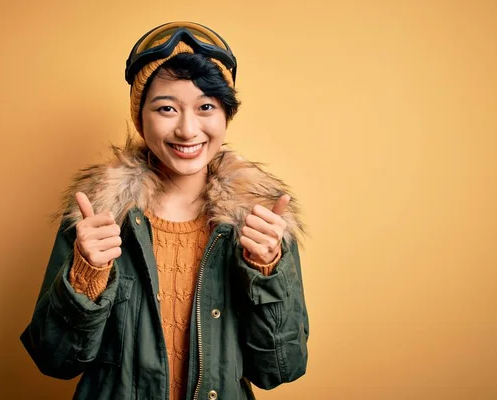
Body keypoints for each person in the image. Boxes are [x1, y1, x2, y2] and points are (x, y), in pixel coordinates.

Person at [21, 21, 309, 400]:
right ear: (140, 119)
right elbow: (55, 361)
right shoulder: (98, 217)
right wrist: (85, 276)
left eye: (206, 107)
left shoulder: (260, 223)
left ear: (226, 117)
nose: (188, 130)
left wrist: (266, 271)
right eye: (167, 108)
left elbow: (281, 368)